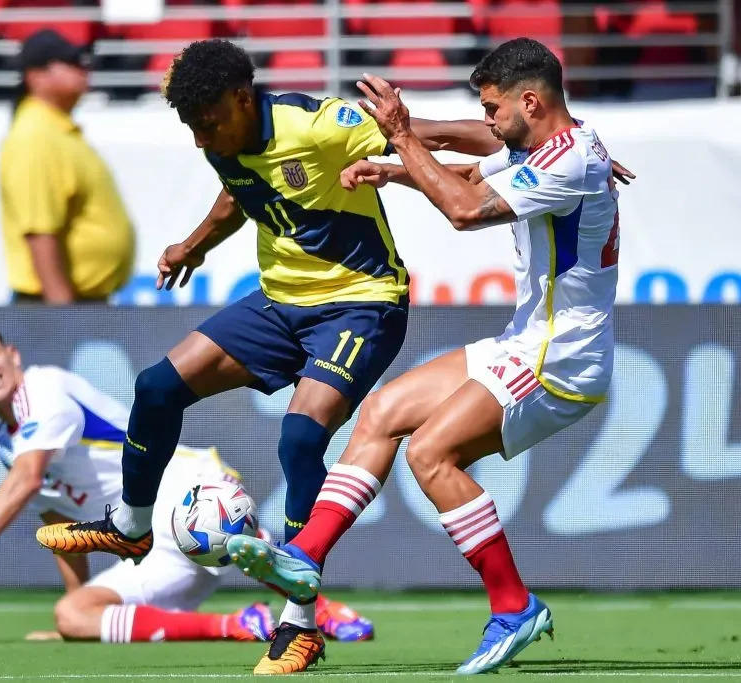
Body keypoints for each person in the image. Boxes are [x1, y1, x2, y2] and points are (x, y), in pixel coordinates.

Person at [33, 37, 524, 675]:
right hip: (278, 305)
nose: (200, 138)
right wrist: (194, 245)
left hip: (362, 305)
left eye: (206, 123)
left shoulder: (317, 125)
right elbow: (242, 193)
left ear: (243, 99)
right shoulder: (221, 138)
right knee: (156, 387)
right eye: (190, 127)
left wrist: (537, 147)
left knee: (299, 438)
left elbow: (443, 136)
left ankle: (300, 624)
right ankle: (131, 525)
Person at [226, 37, 623, 676]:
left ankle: (513, 606)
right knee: (381, 411)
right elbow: (471, 162)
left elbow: (465, 209)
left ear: (530, 101)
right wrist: (397, 160)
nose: (489, 122)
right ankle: (305, 554)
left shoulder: (570, 160)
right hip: (526, 340)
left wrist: (402, 141)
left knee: (431, 453)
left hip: (560, 360)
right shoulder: (567, 145)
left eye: (495, 109)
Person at [0, 317, 273, 644]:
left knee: (252, 552)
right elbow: (58, 519)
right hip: (147, 540)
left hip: (188, 494)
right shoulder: (6, 444)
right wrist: (76, 603)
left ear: (12, 355)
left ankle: (316, 611)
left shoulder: (44, 388)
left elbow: (30, 477)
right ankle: (239, 625)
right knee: (72, 615)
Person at [0, 29, 135, 305]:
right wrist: (64, 320)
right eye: (69, 62)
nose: (82, 68)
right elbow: (40, 234)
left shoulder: (54, 130)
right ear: (35, 76)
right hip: (54, 305)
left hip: (73, 304)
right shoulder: (36, 136)